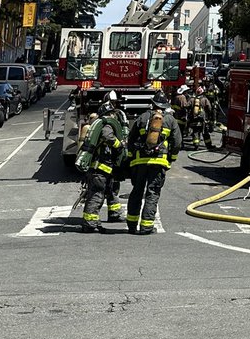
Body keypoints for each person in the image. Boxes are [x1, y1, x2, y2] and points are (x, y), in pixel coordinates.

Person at [125, 92, 181, 235]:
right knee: (152, 193)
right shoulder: (170, 120)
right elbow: (177, 142)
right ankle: (146, 226)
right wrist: (172, 158)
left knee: (137, 192)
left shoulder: (142, 117)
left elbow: (131, 139)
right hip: (159, 162)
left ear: (153, 104)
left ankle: (131, 225)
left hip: (139, 162)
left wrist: (131, 156)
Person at [76, 92, 128, 234]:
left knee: (110, 191)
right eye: (111, 112)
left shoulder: (102, 124)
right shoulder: (106, 125)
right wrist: (120, 145)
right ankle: (89, 223)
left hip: (105, 168)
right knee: (96, 195)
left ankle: (112, 215)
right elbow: (108, 137)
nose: (113, 115)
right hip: (100, 169)